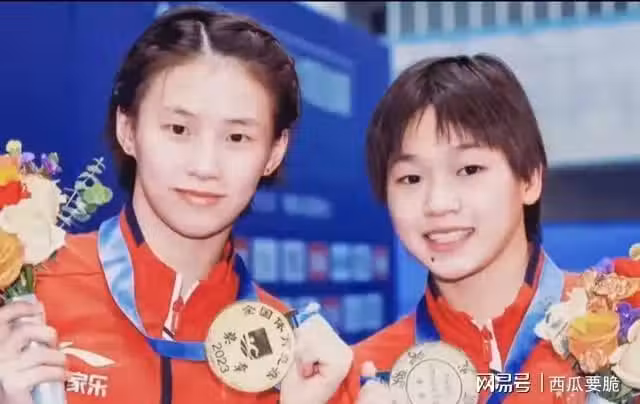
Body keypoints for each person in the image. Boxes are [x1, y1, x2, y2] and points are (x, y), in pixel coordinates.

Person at [0, 6, 352, 404]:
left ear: (274, 151)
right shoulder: (27, 297)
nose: (205, 166)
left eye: (237, 137)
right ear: (127, 129)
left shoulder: (295, 362)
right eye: (179, 129)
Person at [329, 54, 587, 404]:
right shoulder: (360, 380)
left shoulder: (621, 324)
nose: (438, 203)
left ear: (529, 178)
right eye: (411, 178)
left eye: (469, 170)